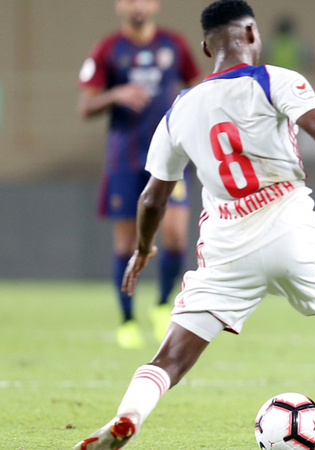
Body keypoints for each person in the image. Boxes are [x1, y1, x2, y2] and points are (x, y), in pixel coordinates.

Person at [72, 1, 315, 450]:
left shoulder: (181, 108)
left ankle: (129, 415)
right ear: (252, 34)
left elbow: (153, 197)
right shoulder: (277, 79)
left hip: (228, 244)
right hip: (290, 227)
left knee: (172, 355)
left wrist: (142, 247)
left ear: (205, 48)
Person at [78, 0, 202, 348]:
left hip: (170, 156)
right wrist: (115, 94)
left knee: (175, 235)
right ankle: (128, 320)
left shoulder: (174, 45)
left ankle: (162, 304)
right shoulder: (107, 49)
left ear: (155, 4)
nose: (138, 5)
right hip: (125, 159)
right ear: (120, 5)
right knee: (127, 242)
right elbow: (85, 105)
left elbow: (199, 88)